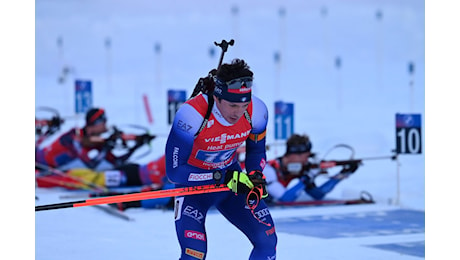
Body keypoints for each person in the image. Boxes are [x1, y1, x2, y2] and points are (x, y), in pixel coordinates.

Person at [165, 59, 277, 259]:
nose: (238, 112)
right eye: (233, 105)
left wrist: (255, 176)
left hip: (231, 185)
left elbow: (257, 152)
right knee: (194, 253)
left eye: (244, 104)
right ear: (217, 98)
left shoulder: (257, 111)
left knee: (267, 240)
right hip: (193, 188)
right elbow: (174, 172)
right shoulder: (191, 115)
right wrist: (219, 177)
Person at [35, 107, 150, 170]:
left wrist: (136, 146)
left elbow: (116, 162)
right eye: (103, 122)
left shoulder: (97, 143)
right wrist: (106, 145)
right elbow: (89, 162)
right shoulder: (73, 135)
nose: (106, 125)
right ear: (94, 124)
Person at [263, 133, 359, 203]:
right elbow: (285, 198)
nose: (306, 160)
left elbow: (317, 195)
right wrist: (307, 178)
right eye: (306, 157)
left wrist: (342, 174)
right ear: (294, 155)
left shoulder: (301, 169)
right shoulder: (268, 169)